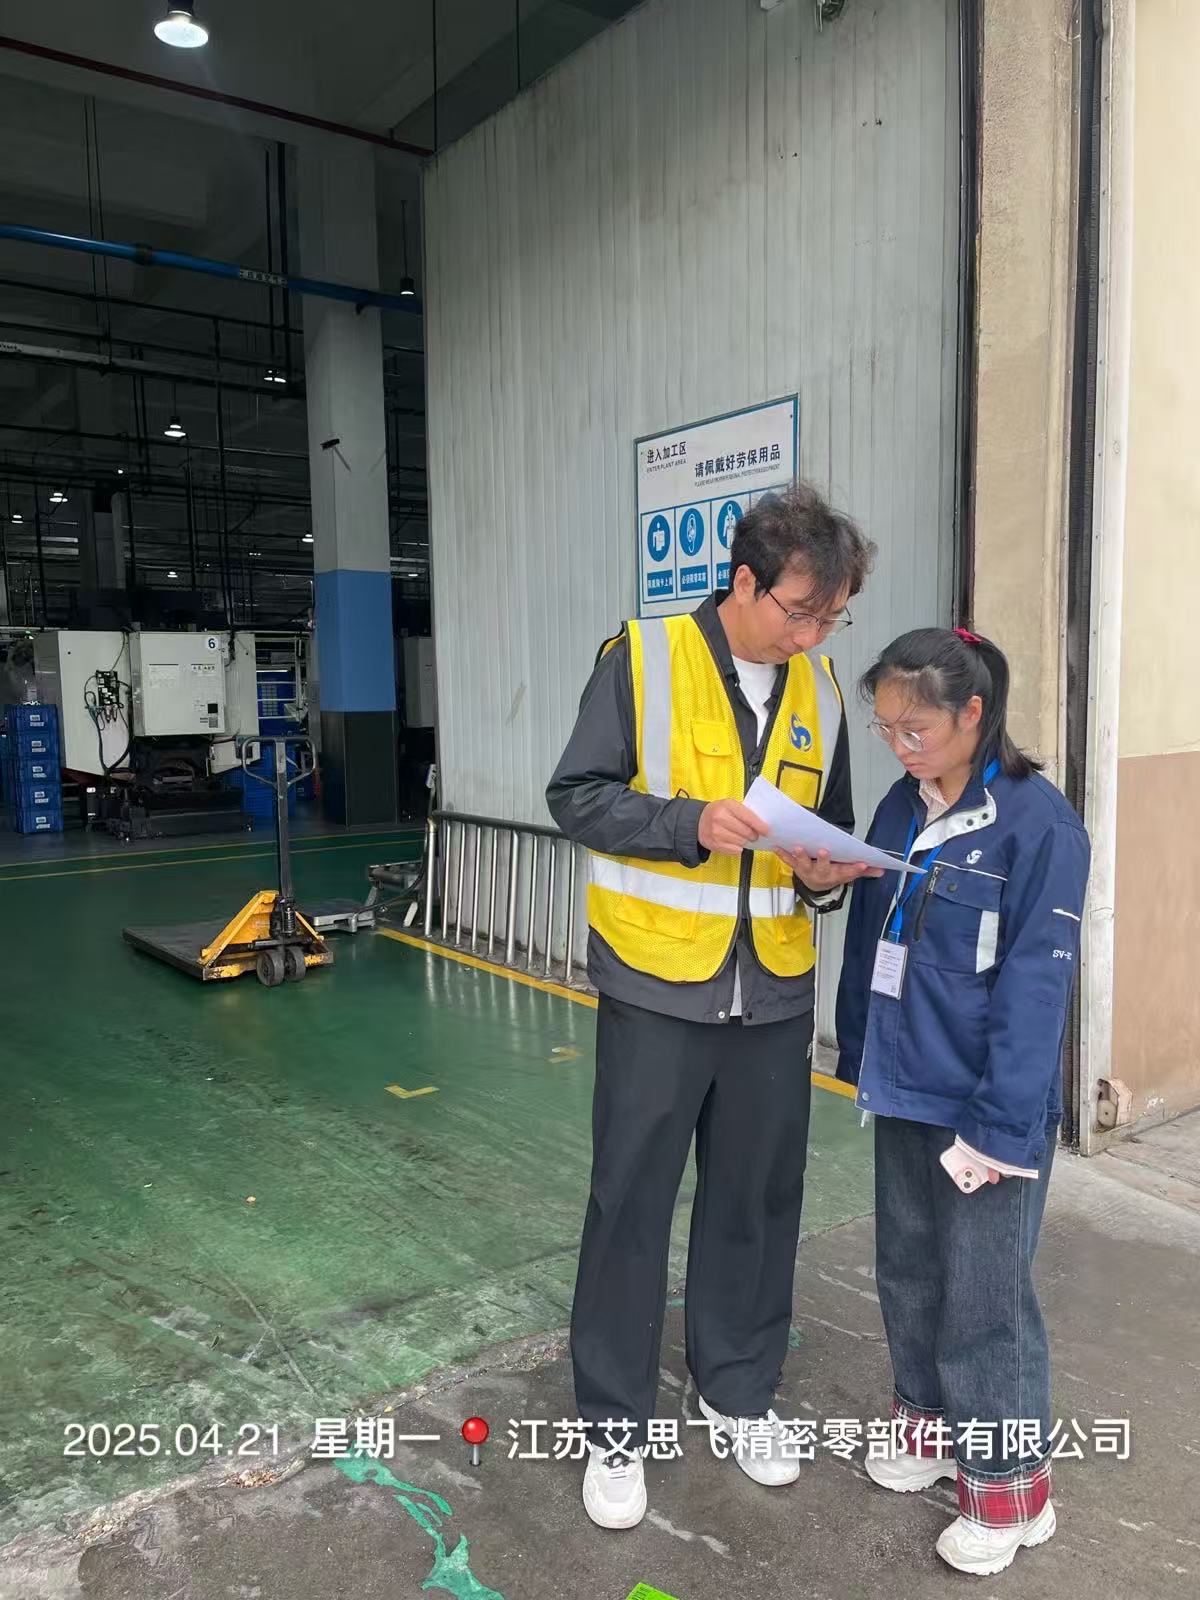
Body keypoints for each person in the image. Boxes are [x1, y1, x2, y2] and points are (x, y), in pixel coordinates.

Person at [547, 481, 878, 1529]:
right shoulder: (642, 658)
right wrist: (689, 822)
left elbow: (831, 828)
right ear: (744, 580)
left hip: (773, 989)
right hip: (657, 982)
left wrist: (824, 877)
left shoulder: (821, 690)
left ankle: (736, 1391)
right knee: (631, 1203)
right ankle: (614, 1424)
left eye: (832, 617)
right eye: (802, 611)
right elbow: (577, 797)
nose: (814, 635)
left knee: (757, 1201)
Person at [834, 626, 1091, 1578]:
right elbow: (874, 931)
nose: (900, 747)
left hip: (985, 1104)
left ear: (974, 713)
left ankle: (1012, 1489)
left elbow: (1037, 987)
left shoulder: (1038, 825)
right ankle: (931, 1428)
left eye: (917, 729)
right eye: (887, 728)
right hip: (905, 1078)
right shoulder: (902, 805)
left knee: (987, 1295)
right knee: (908, 1268)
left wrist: (1000, 1125)